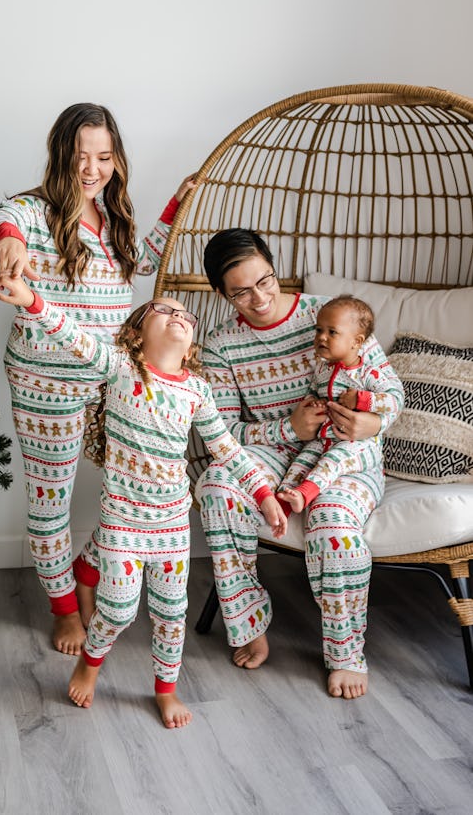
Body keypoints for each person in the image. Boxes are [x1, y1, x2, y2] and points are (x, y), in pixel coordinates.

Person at [0, 275, 287, 728]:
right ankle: (89, 666)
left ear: (191, 343)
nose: (179, 317)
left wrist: (264, 495)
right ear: (135, 333)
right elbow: (72, 336)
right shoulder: (119, 368)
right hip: (122, 525)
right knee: (119, 610)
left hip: (171, 527)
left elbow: (227, 449)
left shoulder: (196, 391)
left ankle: (165, 690)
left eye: (185, 315)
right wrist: (32, 301)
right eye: (164, 310)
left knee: (172, 613)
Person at [0, 103, 197, 656]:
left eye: (104, 156)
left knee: (138, 495)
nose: (92, 168)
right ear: (60, 156)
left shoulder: (114, 216)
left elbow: (142, 265)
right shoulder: (34, 211)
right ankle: (64, 609)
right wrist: (9, 240)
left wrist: (176, 203)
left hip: (113, 384)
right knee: (50, 503)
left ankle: (87, 569)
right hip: (44, 382)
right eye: (81, 156)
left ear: (117, 160)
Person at [197, 229, 402, 699]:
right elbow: (221, 436)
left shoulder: (330, 314)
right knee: (216, 485)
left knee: (331, 522)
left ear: (274, 267)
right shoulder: (221, 346)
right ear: (221, 293)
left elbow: (387, 391)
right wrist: (289, 429)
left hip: (345, 457)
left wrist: (373, 422)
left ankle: (345, 651)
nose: (260, 298)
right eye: (241, 292)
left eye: (265, 281)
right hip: (274, 453)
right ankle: (246, 619)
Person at [277, 295, 403, 515]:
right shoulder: (323, 370)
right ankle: (285, 501)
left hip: (360, 444)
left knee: (332, 460)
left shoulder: (368, 373)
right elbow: (313, 391)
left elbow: (393, 400)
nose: (322, 338)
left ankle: (306, 492)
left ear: (357, 341)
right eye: (318, 330)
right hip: (325, 437)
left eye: (332, 332)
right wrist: (312, 403)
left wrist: (362, 400)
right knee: (301, 461)